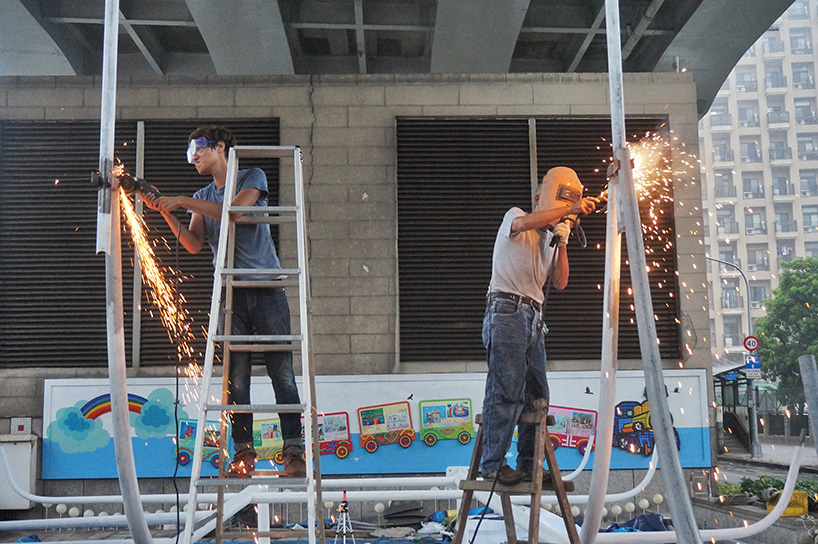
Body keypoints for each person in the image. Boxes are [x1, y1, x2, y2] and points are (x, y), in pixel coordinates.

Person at [141, 125, 306, 478]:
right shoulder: (203, 194)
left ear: (220, 147)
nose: (194, 157)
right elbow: (193, 243)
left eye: (198, 149)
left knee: (282, 373)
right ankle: (243, 453)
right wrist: (165, 210)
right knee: (237, 380)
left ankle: (293, 451)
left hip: (265, 289)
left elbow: (236, 211)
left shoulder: (251, 175)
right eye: (190, 154)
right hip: (230, 294)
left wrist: (182, 201)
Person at [480, 166, 598, 485]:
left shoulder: (548, 240)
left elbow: (559, 281)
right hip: (507, 309)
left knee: (537, 395)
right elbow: (522, 223)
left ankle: (530, 463)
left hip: (533, 316)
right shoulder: (517, 216)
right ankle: (492, 464)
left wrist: (562, 241)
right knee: (506, 389)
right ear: (538, 198)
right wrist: (569, 210)